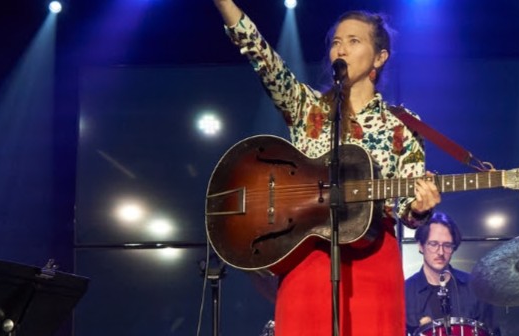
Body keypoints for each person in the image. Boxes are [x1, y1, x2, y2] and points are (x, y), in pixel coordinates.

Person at [212, 1, 442, 335]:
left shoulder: (402, 124)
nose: (341, 49)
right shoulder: (307, 107)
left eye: (353, 41)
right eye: (336, 42)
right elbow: (262, 58)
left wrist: (421, 208)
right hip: (307, 253)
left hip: (373, 258)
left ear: (380, 57)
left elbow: (407, 209)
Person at [405, 212, 496, 335]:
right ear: (421, 246)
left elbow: (492, 331)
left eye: (447, 245)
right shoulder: (405, 291)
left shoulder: (475, 286)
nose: (441, 252)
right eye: (433, 244)